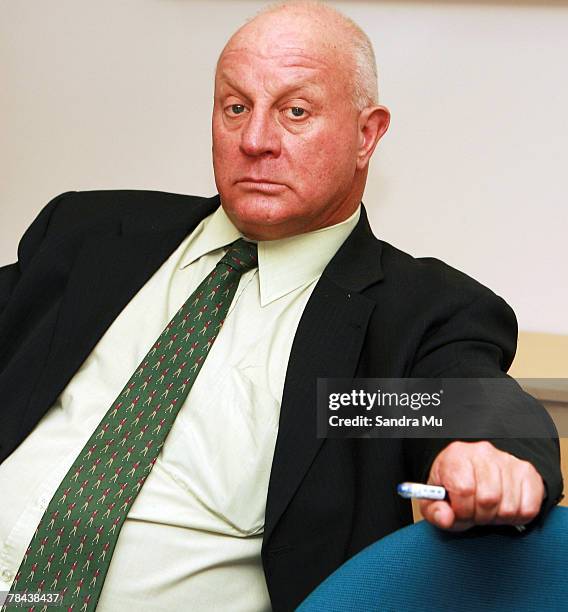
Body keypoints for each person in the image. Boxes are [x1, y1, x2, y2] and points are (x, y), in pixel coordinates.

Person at [0, 2, 563, 611]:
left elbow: (466, 401)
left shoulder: (409, 316)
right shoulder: (90, 234)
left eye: (295, 112)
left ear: (367, 135)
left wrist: (484, 455)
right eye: (235, 107)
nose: (256, 141)